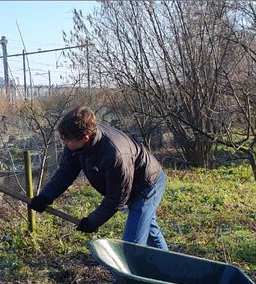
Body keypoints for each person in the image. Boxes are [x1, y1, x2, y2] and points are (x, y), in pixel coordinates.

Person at [30, 106, 169, 251]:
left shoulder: (114, 155)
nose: (65, 143)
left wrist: (93, 221)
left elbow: (116, 197)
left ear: (85, 138)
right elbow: (65, 173)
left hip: (148, 184)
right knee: (148, 228)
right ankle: (167, 269)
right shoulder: (75, 143)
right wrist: (44, 197)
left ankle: (128, 273)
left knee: (131, 244)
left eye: (68, 140)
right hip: (128, 182)